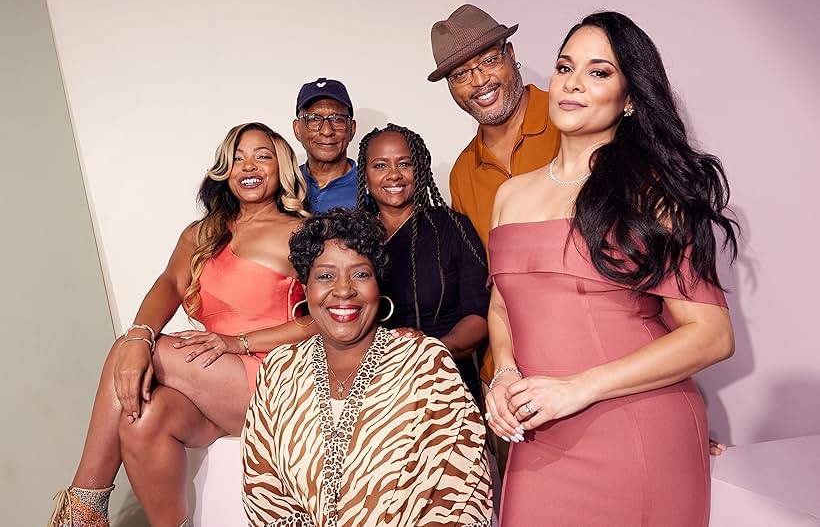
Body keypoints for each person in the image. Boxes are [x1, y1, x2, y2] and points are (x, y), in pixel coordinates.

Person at [484, 12, 738, 526]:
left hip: (635, 428)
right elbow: (502, 306)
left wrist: (577, 388)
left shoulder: (652, 193)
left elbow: (712, 335)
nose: (573, 83)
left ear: (629, 99)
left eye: (599, 72)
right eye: (564, 67)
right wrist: (505, 374)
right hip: (538, 431)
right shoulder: (511, 195)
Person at [49, 122, 314, 527]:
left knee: (131, 350)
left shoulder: (302, 232)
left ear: (281, 168)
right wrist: (140, 334)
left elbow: (323, 321)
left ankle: (82, 511)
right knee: (141, 417)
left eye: (263, 156)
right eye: (238, 156)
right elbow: (170, 283)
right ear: (224, 169)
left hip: (274, 378)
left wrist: (239, 342)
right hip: (213, 384)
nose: (250, 165)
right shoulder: (201, 234)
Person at [242, 209, 492, 526]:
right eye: (325, 275)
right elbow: (262, 490)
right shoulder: (279, 370)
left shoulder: (424, 363)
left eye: (360, 274)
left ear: (378, 285)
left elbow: (461, 488)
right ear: (305, 288)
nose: (344, 289)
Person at [355, 123, 488, 404]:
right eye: (380, 165)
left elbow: (479, 315)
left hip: (446, 377)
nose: (394, 174)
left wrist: (432, 349)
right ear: (365, 176)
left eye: (405, 163)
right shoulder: (353, 238)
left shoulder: (452, 228)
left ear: (421, 169)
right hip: (373, 385)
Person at [428, 3, 561, 249]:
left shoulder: (568, 120)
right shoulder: (462, 174)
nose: (479, 81)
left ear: (511, 53)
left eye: (489, 60)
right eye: (460, 74)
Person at [293, 77, 358, 213]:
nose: (327, 131)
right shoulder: (285, 184)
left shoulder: (372, 187)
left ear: (351, 129)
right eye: (314, 119)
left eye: (337, 119)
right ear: (297, 129)